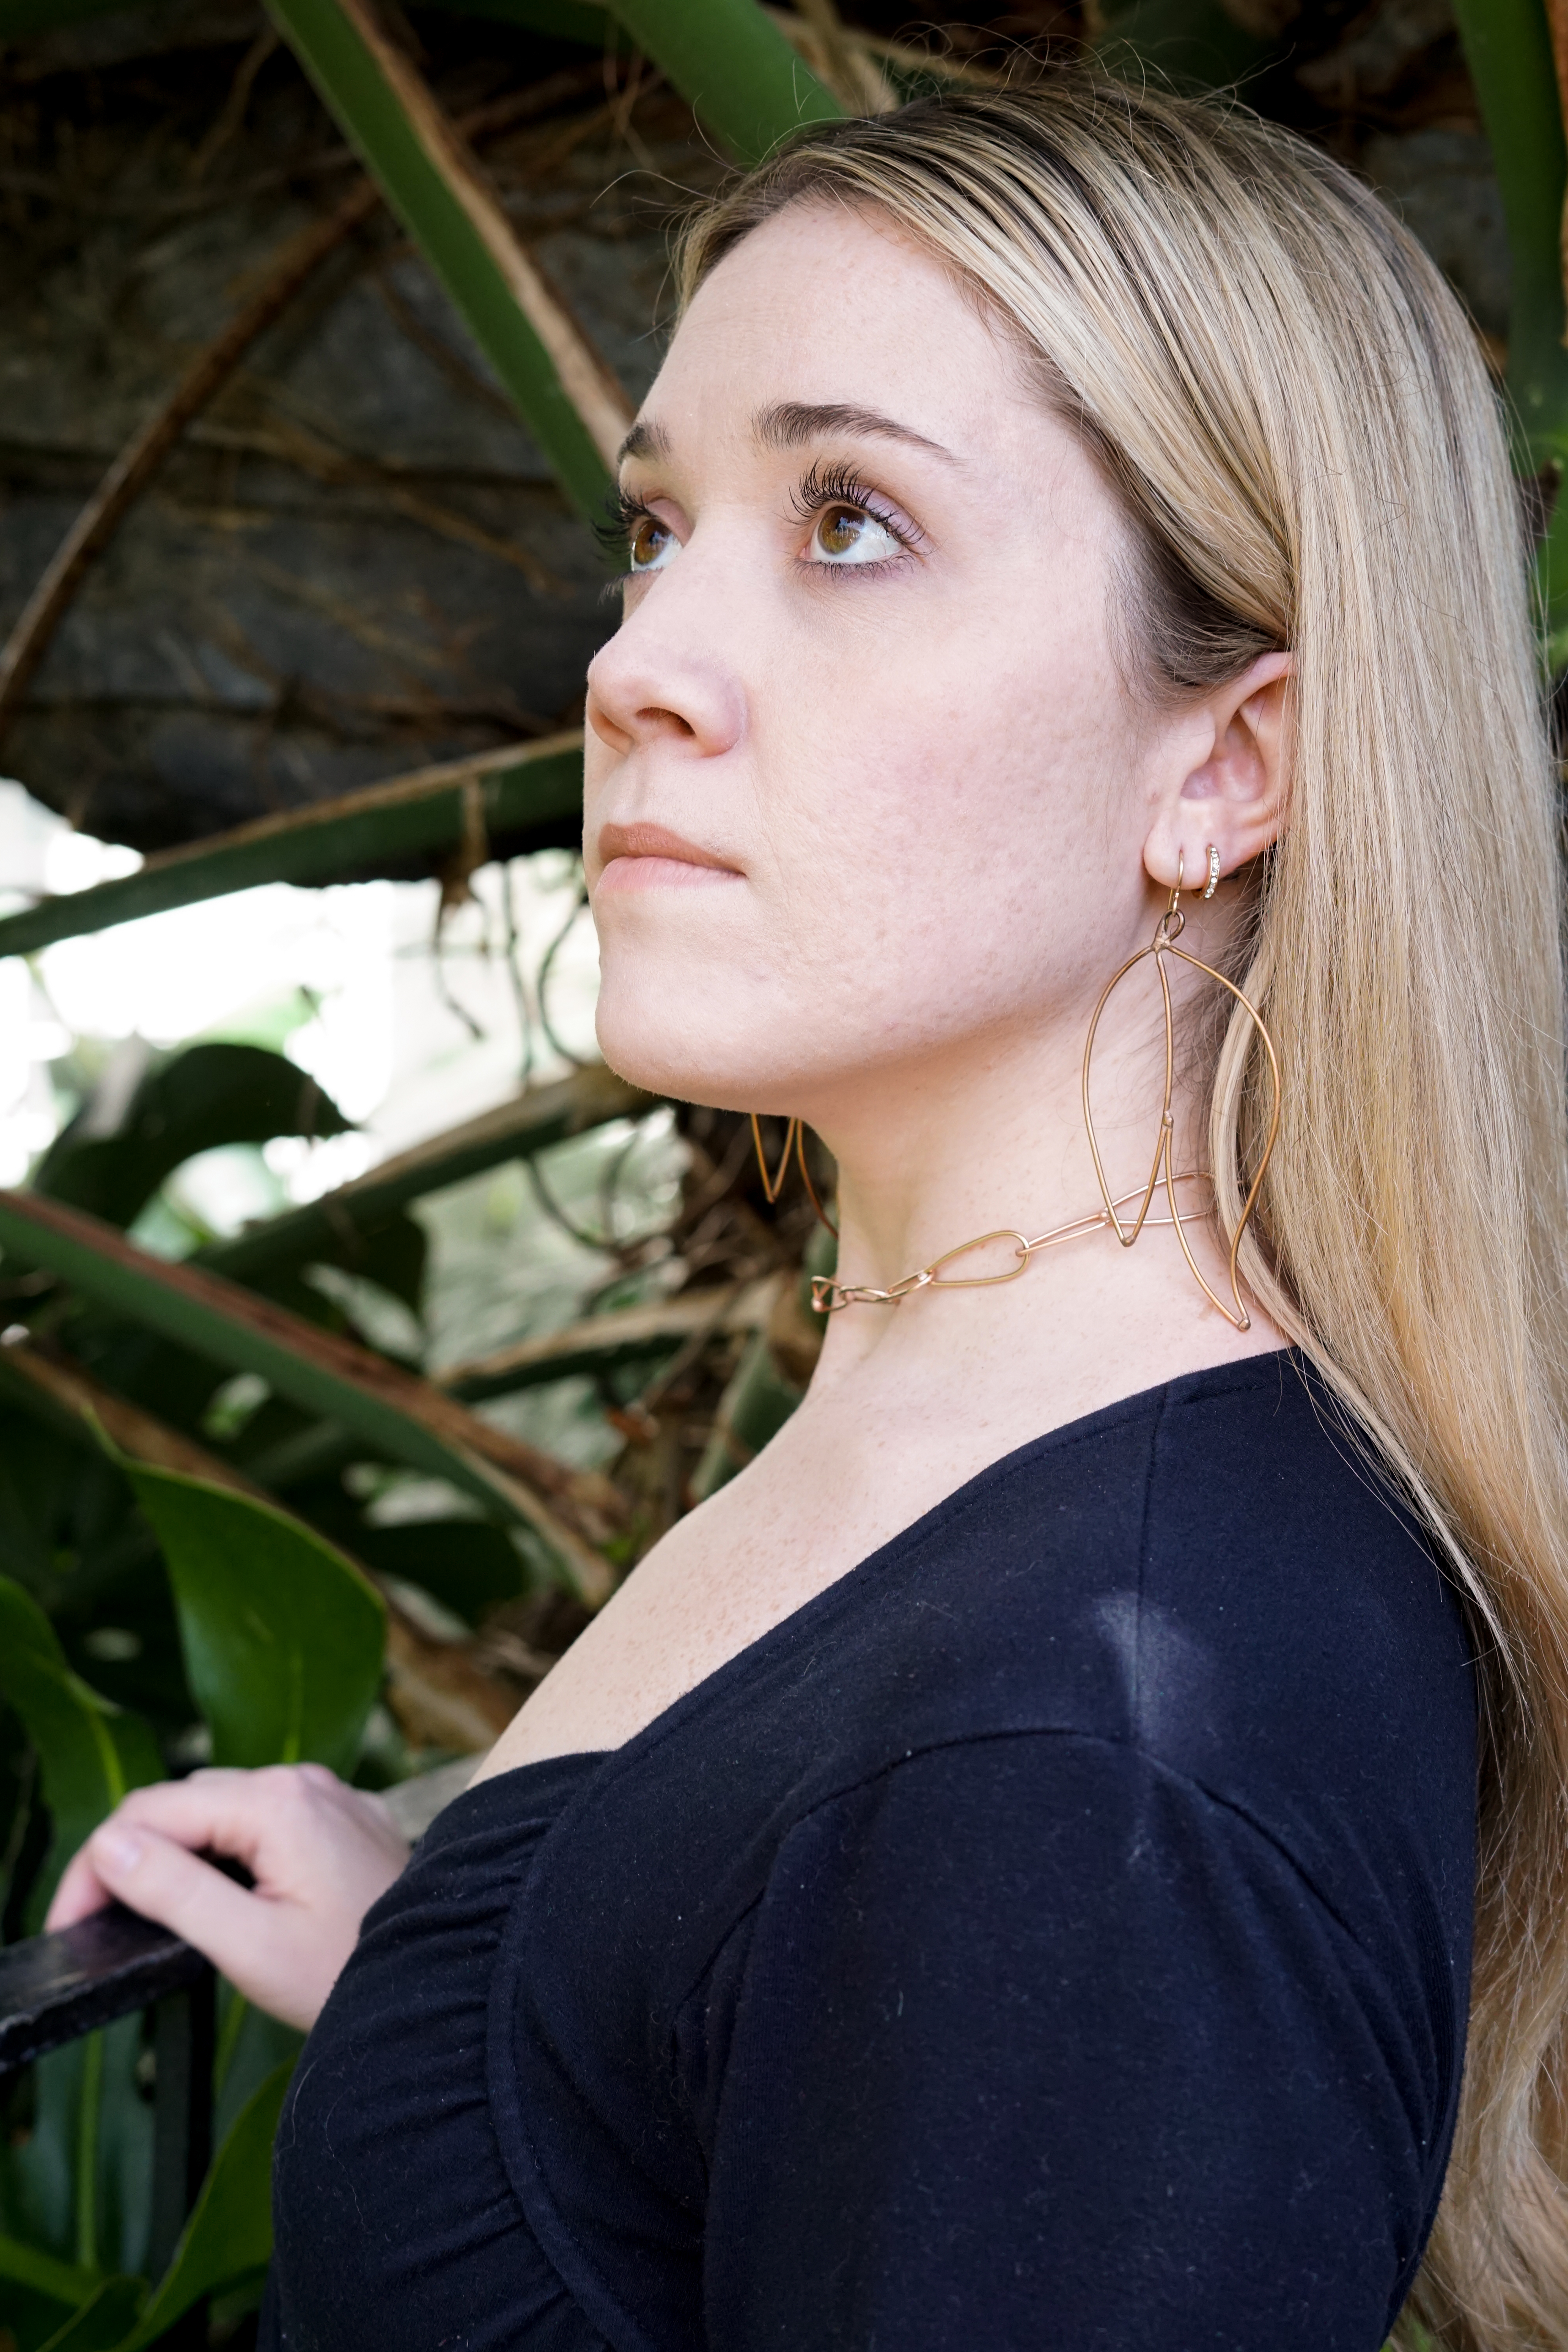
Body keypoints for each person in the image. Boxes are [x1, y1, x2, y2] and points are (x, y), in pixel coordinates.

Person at [45, 75, 1568, 2351]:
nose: (635, 665)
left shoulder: (1089, 1764)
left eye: (851, 521)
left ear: (1228, 762)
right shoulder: (982, 1428)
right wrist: (483, 2002)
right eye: (660, 530)